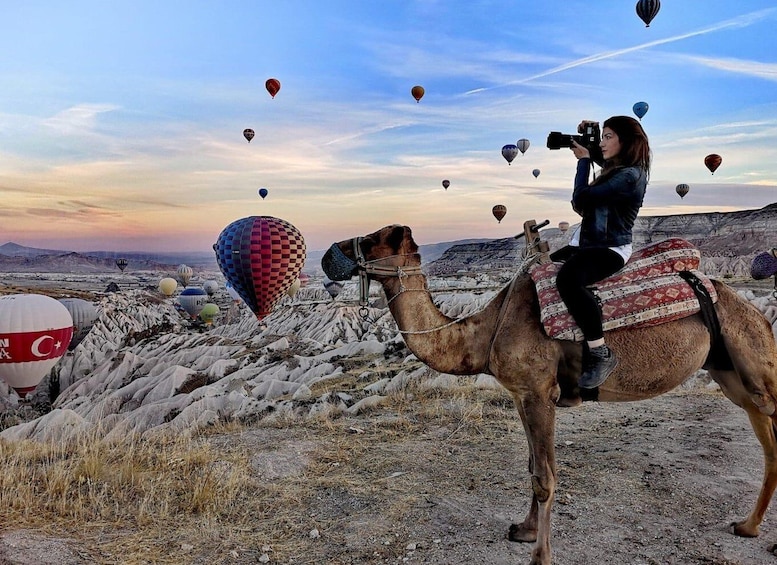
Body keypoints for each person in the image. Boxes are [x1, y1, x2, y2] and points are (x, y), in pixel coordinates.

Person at [550, 116, 651, 388]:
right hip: (589, 242)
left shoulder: (629, 176)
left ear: (625, 141)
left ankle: (599, 351)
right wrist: (591, 138)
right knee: (546, 266)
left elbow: (580, 199)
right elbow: (605, 160)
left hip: (610, 249)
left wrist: (583, 160)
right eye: (603, 137)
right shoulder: (619, 168)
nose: (603, 143)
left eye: (609, 137)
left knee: (568, 280)